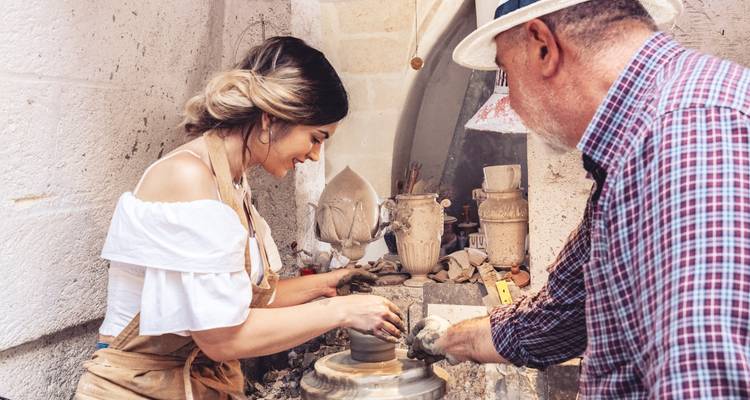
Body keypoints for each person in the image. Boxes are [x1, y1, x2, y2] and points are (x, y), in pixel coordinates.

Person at [407, 0, 750, 398]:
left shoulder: (688, 133)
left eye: (506, 72)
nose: (513, 104)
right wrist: (450, 340)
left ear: (542, 47)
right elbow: (562, 315)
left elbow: (706, 384)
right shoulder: (629, 150)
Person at [75, 36, 405, 400]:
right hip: (135, 389)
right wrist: (341, 311)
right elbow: (220, 335)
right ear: (270, 119)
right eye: (315, 138)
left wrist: (332, 282)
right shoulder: (189, 177)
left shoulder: (232, 183)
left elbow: (239, 300)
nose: (315, 155)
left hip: (192, 385)